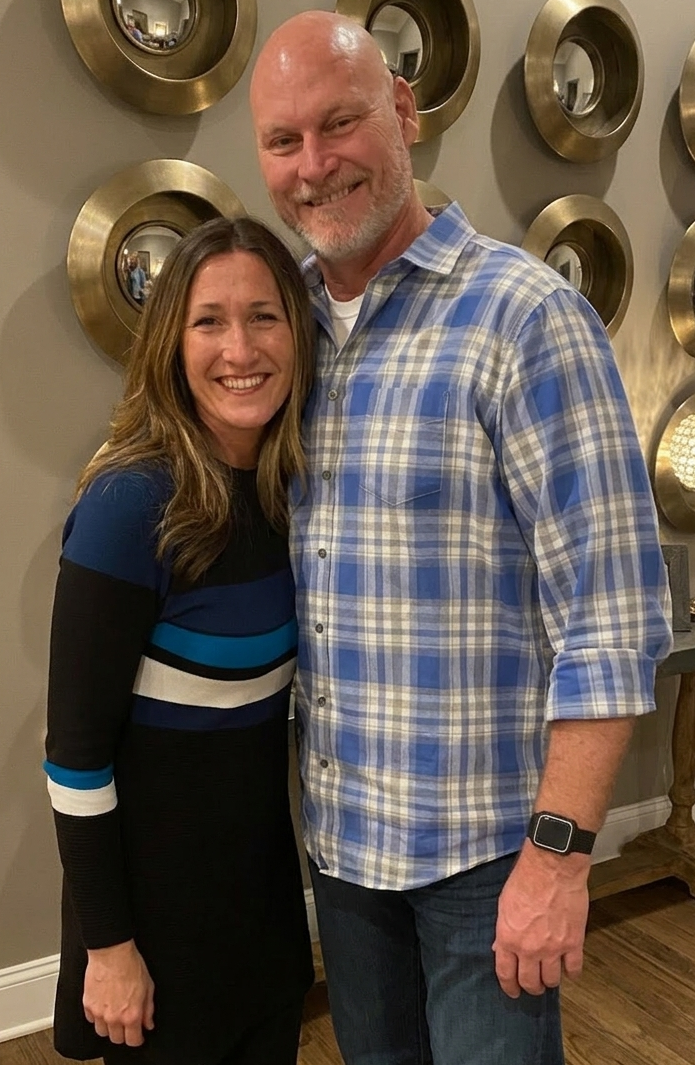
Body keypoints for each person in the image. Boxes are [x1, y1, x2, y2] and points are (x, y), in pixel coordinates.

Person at [249, 12, 673, 1065]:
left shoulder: (522, 318)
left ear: (402, 113)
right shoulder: (285, 329)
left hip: (485, 855)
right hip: (344, 851)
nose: (313, 166)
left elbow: (613, 617)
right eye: (282, 141)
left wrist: (560, 859)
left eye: (339, 123)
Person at [43, 215, 315, 1065]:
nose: (241, 347)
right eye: (209, 320)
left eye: (264, 315)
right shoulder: (133, 503)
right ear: (173, 341)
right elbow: (75, 756)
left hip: (263, 915)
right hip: (153, 938)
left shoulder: (287, 494)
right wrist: (110, 948)